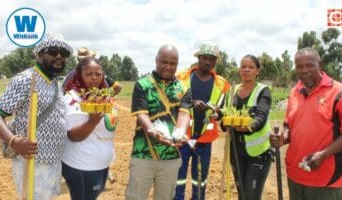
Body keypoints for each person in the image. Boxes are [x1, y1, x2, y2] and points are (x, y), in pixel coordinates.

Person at [270, 47, 342, 200]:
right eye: (299, 66)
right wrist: (282, 137)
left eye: (309, 65)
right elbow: (289, 126)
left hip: (327, 180)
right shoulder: (294, 92)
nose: (304, 70)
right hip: (296, 175)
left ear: (320, 64)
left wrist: (324, 154)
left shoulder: (339, 93)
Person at [0, 33, 73, 199]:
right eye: (53, 51)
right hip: (32, 161)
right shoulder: (26, 80)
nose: (59, 56)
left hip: (54, 161)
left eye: (64, 53)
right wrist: (14, 141)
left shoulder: (55, 82)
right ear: (39, 53)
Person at [125, 44, 192, 200]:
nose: (168, 67)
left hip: (171, 156)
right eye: (164, 62)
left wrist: (180, 133)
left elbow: (184, 114)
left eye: (173, 63)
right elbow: (142, 115)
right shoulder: (143, 84)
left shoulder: (183, 88)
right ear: (156, 60)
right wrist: (153, 131)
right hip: (143, 155)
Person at [174, 42, 230, 200]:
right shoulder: (182, 78)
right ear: (198, 58)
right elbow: (173, 103)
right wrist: (191, 103)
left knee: (200, 180)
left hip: (204, 139)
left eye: (211, 59)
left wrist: (217, 111)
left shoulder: (222, 84)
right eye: (205, 58)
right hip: (183, 137)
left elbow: (223, 112)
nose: (208, 62)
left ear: (216, 61)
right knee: (178, 177)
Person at [62, 57, 118, 199]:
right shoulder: (73, 99)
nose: (94, 78)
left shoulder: (103, 96)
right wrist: (91, 122)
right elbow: (73, 136)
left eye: (98, 74)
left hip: (100, 164)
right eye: (88, 74)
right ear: (79, 75)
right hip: (82, 166)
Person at [225, 55, 273, 200]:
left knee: (251, 195)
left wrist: (247, 127)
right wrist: (222, 119)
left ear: (257, 71)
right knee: (241, 193)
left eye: (251, 67)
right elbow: (225, 114)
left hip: (258, 152)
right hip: (236, 150)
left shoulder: (263, 91)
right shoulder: (233, 90)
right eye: (243, 66)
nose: (246, 70)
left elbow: (261, 117)